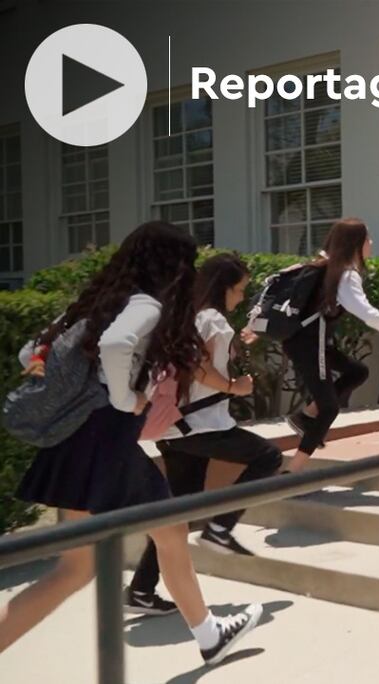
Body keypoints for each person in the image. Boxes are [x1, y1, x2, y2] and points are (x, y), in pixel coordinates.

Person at [0, 222, 263, 665]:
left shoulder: (102, 301)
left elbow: (33, 352)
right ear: (172, 266)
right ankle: (208, 634)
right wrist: (126, 398)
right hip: (106, 438)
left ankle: (208, 633)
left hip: (79, 438)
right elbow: (118, 343)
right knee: (159, 533)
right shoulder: (144, 304)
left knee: (82, 564)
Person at [126, 253, 284, 614]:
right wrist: (234, 386)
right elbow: (195, 365)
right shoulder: (213, 320)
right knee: (268, 457)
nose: (242, 297)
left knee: (178, 513)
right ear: (223, 288)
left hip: (173, 426)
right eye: (240, 289)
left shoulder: (187, 316)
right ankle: (220, 528)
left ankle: (140, 591)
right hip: (200, 425)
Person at [278, 218, 379, 473]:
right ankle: (291, 472)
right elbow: (367, 314)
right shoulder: (344, 274)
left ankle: (305, 416)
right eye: (368, 238)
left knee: (357, 372)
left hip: (306, 343)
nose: (371, 243)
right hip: (310, 346)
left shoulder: (326, 265)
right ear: (356, 244)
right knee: (329, 406)